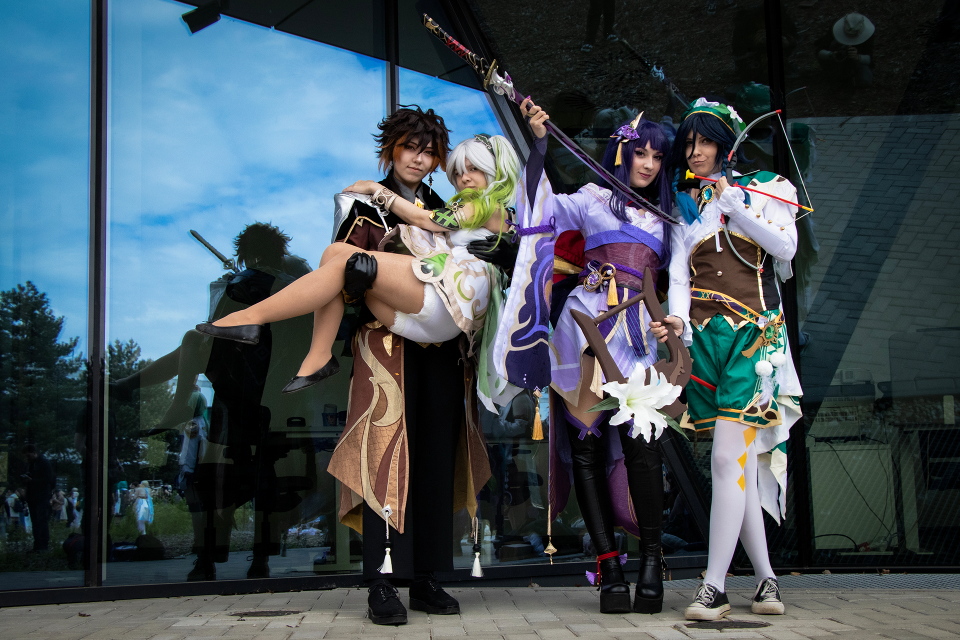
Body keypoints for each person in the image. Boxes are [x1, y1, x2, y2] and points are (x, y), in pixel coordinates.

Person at [200, 111, 516, 625]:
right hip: (386, 343)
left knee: (436, 457)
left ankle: (428, 576)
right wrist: (360, 277)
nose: (419, 159)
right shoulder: (359, 204)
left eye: (430, 152)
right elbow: (337, 276)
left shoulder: (447, 205)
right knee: (383, 456)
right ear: (391, 148)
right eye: (410, 147)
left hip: (443, 348)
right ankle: (382, 581)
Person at [499, 99, 674, 614]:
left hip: (639, 334)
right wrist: (538, 145)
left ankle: (651, 561)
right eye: (640, 153)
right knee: (587, 451)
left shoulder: (671, 217)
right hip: (584, 328)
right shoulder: (594, 198)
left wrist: (676, 322)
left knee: (643, 449)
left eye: (657, 157)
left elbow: (682, 282)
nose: (647, 164)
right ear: (622, 152)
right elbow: (541, 207)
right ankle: (609, 566)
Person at [652, 97, 802, 620]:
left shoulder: (767, 188)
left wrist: (736, 206)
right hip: (704, 341)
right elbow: (678, 275)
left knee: (724, 460)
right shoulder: (684, 204)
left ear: (727, 145)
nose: (695, 152)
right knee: (736, 463)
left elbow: (786, 249)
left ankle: (714, 586)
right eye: (689, 143)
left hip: (753, 339)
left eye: (705, 142)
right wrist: (677, 324)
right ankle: (766, 582)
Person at [817, 12, 875, 88]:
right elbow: (820, 50)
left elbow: (870, 58)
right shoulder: (833, 31)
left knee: (865, 80)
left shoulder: (868, 36)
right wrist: (832, 55)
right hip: (836, 62)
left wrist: (857, 57)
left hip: (859, 63)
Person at [20, 444, 56, 552]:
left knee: (41, 521)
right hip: (33, 496)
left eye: (28, 455)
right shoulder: (32, 464)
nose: (27, 458)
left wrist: (32, 480)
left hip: (41, 496)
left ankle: (43, 545)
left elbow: (48, 480)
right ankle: (38, 545)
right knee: (36, 522)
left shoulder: (44, 463)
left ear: (34, 453)